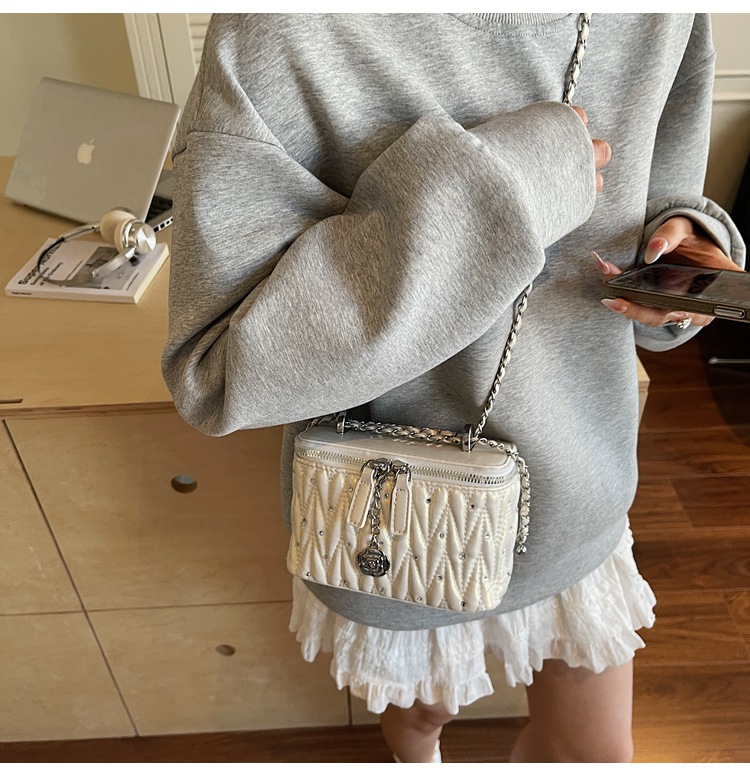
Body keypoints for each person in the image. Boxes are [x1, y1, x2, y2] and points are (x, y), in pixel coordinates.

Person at [161, 13, 746, 763]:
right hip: (393, 524)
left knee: (596, 755)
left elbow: (659, 201)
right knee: (420, 721)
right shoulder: (281, 30)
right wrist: (501, 190)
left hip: (579, 489)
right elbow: (219, 371)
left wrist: (681, 259)